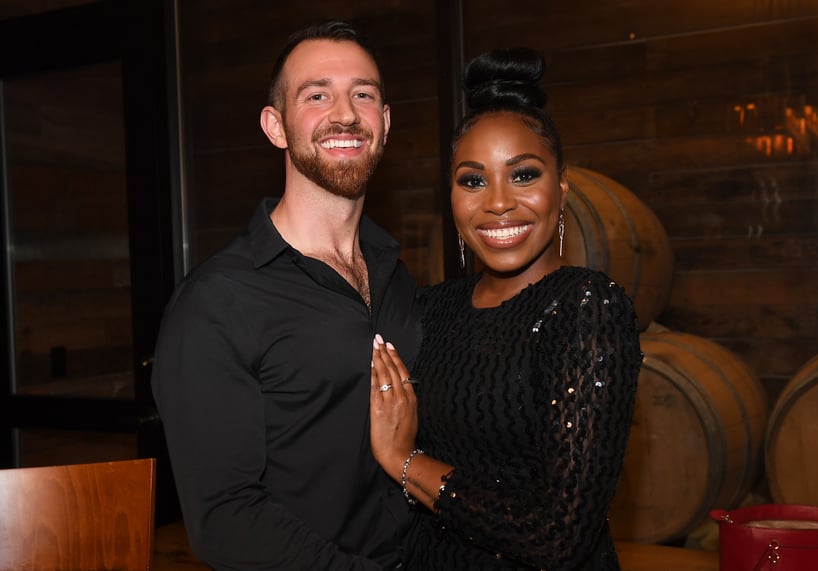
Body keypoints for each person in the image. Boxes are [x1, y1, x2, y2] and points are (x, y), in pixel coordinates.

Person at [151, 20, 421, 570]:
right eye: (317, 95)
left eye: (362, 95)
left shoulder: (399, 278)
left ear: (385, 123)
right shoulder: (217, 302)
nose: (345, 113)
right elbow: (225, 520)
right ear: (276, 126)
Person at [369, 47, 642, 570]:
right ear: (449, 196)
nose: (497, 202)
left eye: (523, 175)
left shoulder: (587, 307)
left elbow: (556, 537)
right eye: (472, 180)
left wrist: (403, 461)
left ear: (561, 188)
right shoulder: (433, 306)